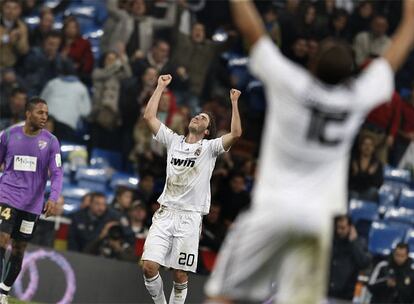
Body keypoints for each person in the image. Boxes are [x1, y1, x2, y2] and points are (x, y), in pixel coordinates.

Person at [205, 1, 414, 304]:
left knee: (223, 297)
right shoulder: (356, 98)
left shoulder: (291, 83)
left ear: (312, 64)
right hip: (315, 222)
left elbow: (253, 30)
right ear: (350, 75)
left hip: (273, 210)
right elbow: (397, 50)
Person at [141, 74, 242, 304]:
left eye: (203, 118)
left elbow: (236, 134)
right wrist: (159, 87)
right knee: (148, 267)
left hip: (190, 217)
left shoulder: (210, 148)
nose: (197, 117)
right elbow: (149, 116)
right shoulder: (173, 141)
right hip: (166, 212)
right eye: (197, 115)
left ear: (207, 130)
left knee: (180, 274)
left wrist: (234, 103)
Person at [0, 97, 63, 304]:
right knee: (1, 240)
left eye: (46, 113)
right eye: (40, 112)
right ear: (28, 114)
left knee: (19, 248)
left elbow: (57, 172)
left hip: (32, 206)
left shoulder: (51, 142)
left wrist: (53, 197)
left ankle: (3, 291)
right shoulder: (8, 135)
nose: (44, 117)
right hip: (7, 196)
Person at [328, 215, 371, 301]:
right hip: (327, 291)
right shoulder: (330, 241)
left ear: (350, 228)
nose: (339, 231)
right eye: (337, 227)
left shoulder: (359, 243)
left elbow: (363, 263)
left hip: (345, 294)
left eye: (343, 228)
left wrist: (354, 242)